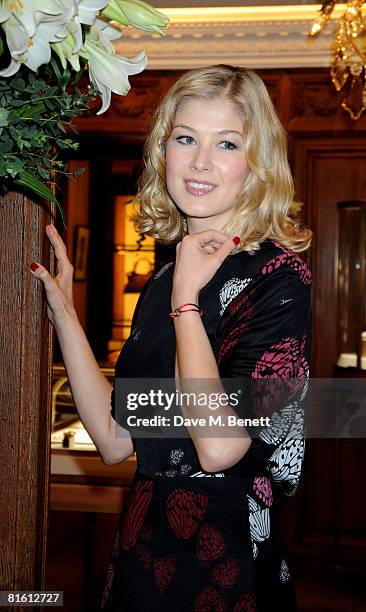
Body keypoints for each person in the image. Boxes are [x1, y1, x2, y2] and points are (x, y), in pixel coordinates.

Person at [30, 65, 312, 611]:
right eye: (186, 138)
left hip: (226, 558)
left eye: (226, 143)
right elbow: (115, 440)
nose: (201, 161)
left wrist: (188, 301)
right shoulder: (164, 277)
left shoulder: (278, 277)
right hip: (142, 544)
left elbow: (219, 448)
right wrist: (64, 312)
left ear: (255, 166)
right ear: (164, 152)